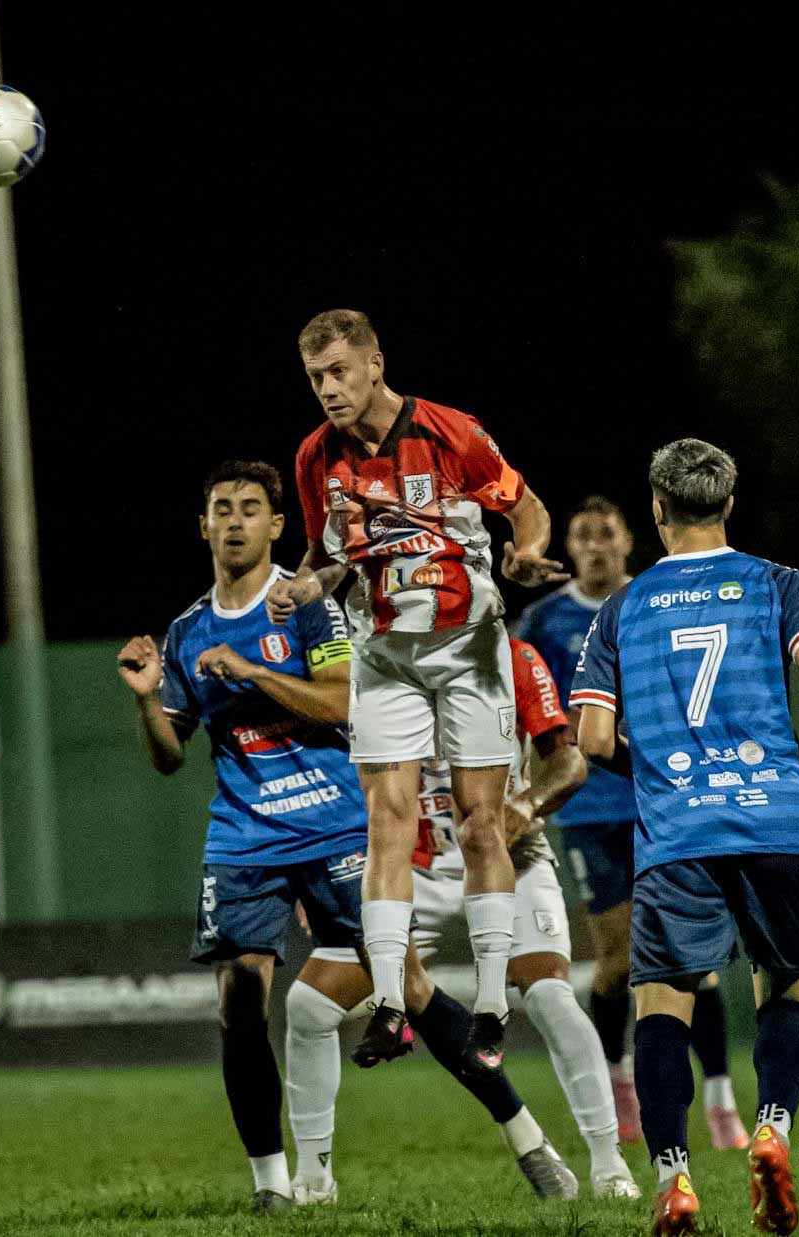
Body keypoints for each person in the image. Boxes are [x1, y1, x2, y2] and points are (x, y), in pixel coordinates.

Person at [267, 308, 567, 1073]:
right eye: (314, 378)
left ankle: (494, 1006)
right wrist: (304, 586)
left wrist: (527, 551)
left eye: (338, 372)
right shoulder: (314, 458)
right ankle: (393, 1005)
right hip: (384, 653)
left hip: (469, 645)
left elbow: (525, 505)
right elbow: (326, 555)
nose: (328, 390)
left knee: (479, 825)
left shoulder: (449, 431)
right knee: (388, 819)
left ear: (375, 364)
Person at [571, 439, 799, 1235]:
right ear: (728, 502)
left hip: (678, 830)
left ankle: (675, 1178)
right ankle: (772, 1128)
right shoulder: (782, 583)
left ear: (656, 509)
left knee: (661, 1003)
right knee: (784, 987)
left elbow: (590, 734)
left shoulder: (623, 606)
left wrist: (662, 761)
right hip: (775, 816)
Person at [285, 637, 640, 1203]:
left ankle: (608, 1163)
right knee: (307, 1006)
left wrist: (525, 804)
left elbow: (569, 760)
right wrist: (333, 876)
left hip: (507, 854)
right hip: (411, 868)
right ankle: (311, 1180)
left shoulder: (509, 655)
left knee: (549, 997)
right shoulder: (373, 665)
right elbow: (349, 781)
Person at [118, 459, 370, 1214]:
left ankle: (527, 1136)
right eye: (220, 508)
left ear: (275, 524)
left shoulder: (308, 607)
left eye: (249, 507)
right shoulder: (189, 628)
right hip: (244, 837)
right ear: (204, 526)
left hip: (332, 819)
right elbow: (170, 756)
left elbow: (338, 706)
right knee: (238, 999)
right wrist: (146, 702)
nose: (233, 520)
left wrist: (251, 673)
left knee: (406, 982)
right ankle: (271, 1182)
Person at [518, 496, 747, 1150]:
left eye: (605, 534)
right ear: (570, 544)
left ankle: (723, 1099)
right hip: (591, 808)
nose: (593, 546)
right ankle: (621, 1083)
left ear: (628, 542)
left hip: (666, 800)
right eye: (581, 535)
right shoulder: (542, 619)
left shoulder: (659, 600)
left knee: (694, 959)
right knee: (616, 962)